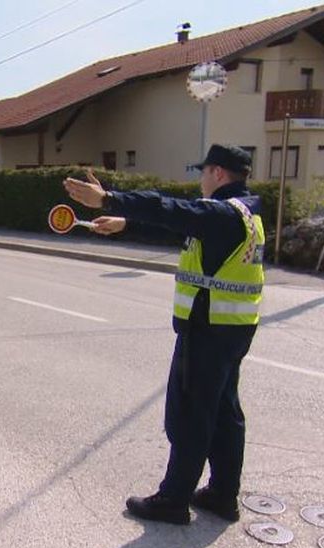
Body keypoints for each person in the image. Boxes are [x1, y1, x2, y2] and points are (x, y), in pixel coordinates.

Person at [63, 144, 264, 525]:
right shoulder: (247, 211)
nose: (200, 179)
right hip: (233, 329)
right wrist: (126, 223)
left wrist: (109, 199)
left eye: (204, 172)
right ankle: (223, 495)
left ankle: (173, 499)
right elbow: (181, 225)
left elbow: (168, 208)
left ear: (218, 173)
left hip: (207, 329)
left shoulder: (221, 213)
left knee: (190, 414)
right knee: (224, 412)